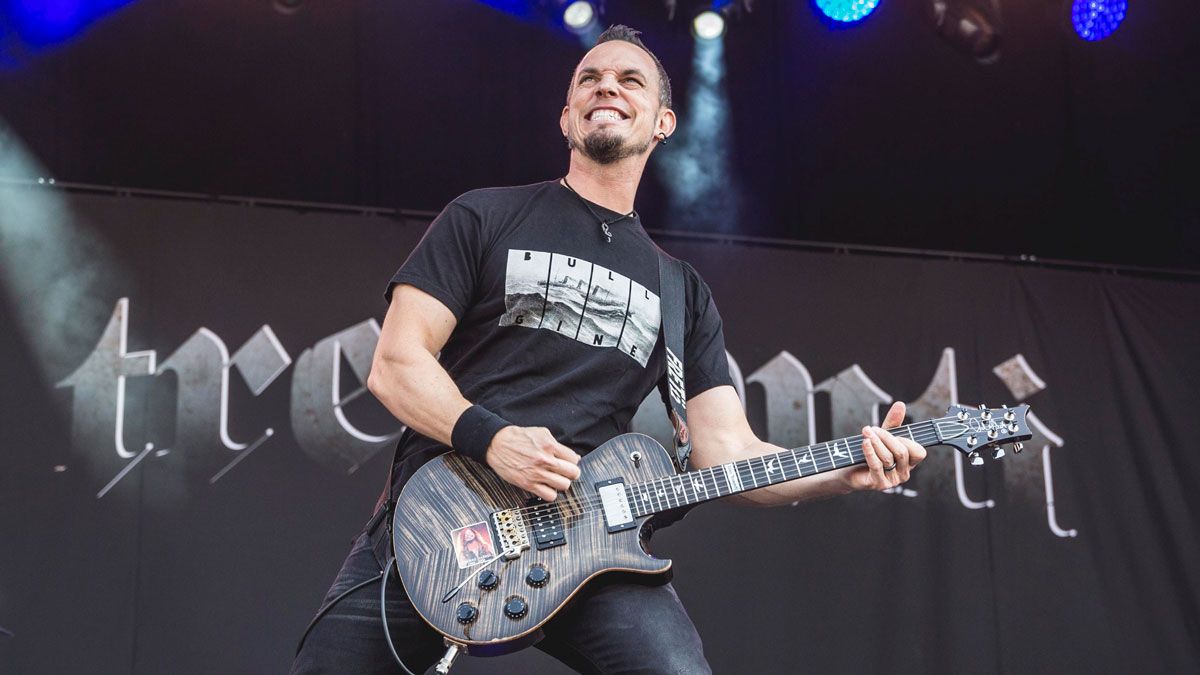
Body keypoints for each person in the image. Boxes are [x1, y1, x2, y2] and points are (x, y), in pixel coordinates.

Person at [291, 24, 926, 675]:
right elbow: (395, 365)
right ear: (566, 116)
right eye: (589, 80)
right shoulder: (483, 217)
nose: (607, 88)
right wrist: (495, 438)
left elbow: (728, 451)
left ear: (663, 122)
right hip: (445, 521)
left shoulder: (680, 291)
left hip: (595, 539)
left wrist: (843, 470)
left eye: (631, 81)